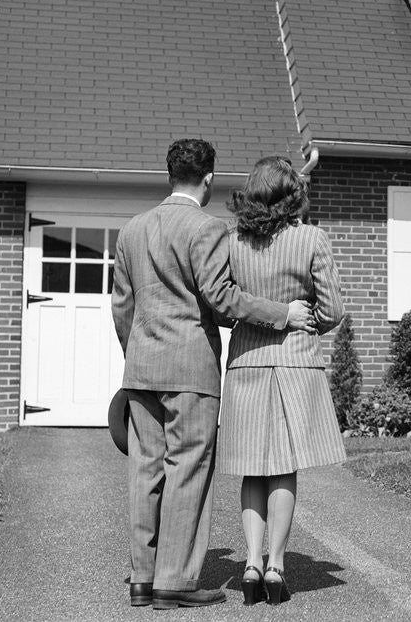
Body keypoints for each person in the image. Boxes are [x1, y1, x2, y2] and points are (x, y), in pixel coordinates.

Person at [111, 139, 315, 610]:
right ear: (207, 180)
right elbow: (222, 299)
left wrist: (136, 354)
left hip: (141, 368)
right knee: (188, 471)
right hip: (191, 370)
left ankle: (142, 579)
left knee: (144, 471)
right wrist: (281, 313)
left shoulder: (131, 230)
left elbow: (122, 307)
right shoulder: (206, 228)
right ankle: (175, 583)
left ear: (170, 175)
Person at [217, 156, 346, 606]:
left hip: (248, 360)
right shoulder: (312, 238)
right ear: (292, 194)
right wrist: (305, 324)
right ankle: (276, 567)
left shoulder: (232, 242)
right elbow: (332, 310)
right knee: (283, 467)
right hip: (295, 363)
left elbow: (220, 306)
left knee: (253, 466)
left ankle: (250, 565)